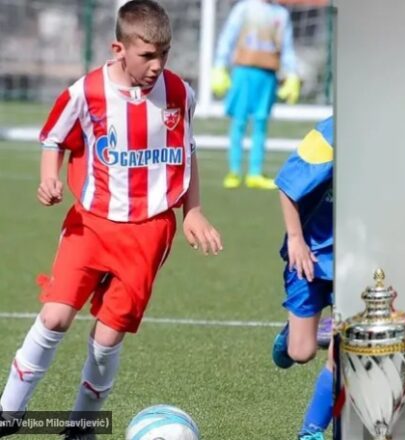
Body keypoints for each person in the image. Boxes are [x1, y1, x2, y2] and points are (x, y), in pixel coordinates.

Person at [0, 1, 222, 438]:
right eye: (147, 55)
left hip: (149, 232)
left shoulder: (179, 94)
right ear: (118, 49)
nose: (157, 65)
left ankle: (81, 425)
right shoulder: (86, 92)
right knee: (55, 317)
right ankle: (9, 411)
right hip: (90, 225)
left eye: (164, 54)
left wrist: (192, 209)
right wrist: (49, 178)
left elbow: (187, 152)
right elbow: (54, 139)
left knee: (107, 339)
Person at [271, 117, 334, 440]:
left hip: (352, 262)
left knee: (344, 353)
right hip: (311, 254)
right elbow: (287, 184)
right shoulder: (329, 134)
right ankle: (290, 335)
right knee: (301, 352)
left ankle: (311, 431)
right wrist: (296, 239)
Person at [211, 0, 301, 190]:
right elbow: (228, 36)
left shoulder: (281, 14)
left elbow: (287, 47)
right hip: (243, 72)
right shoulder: (244, 8)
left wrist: (292, 73)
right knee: (239, 121)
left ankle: (255, 172)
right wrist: (220, 65)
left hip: (268, 75)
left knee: (261, 122)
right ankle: (234, 170)